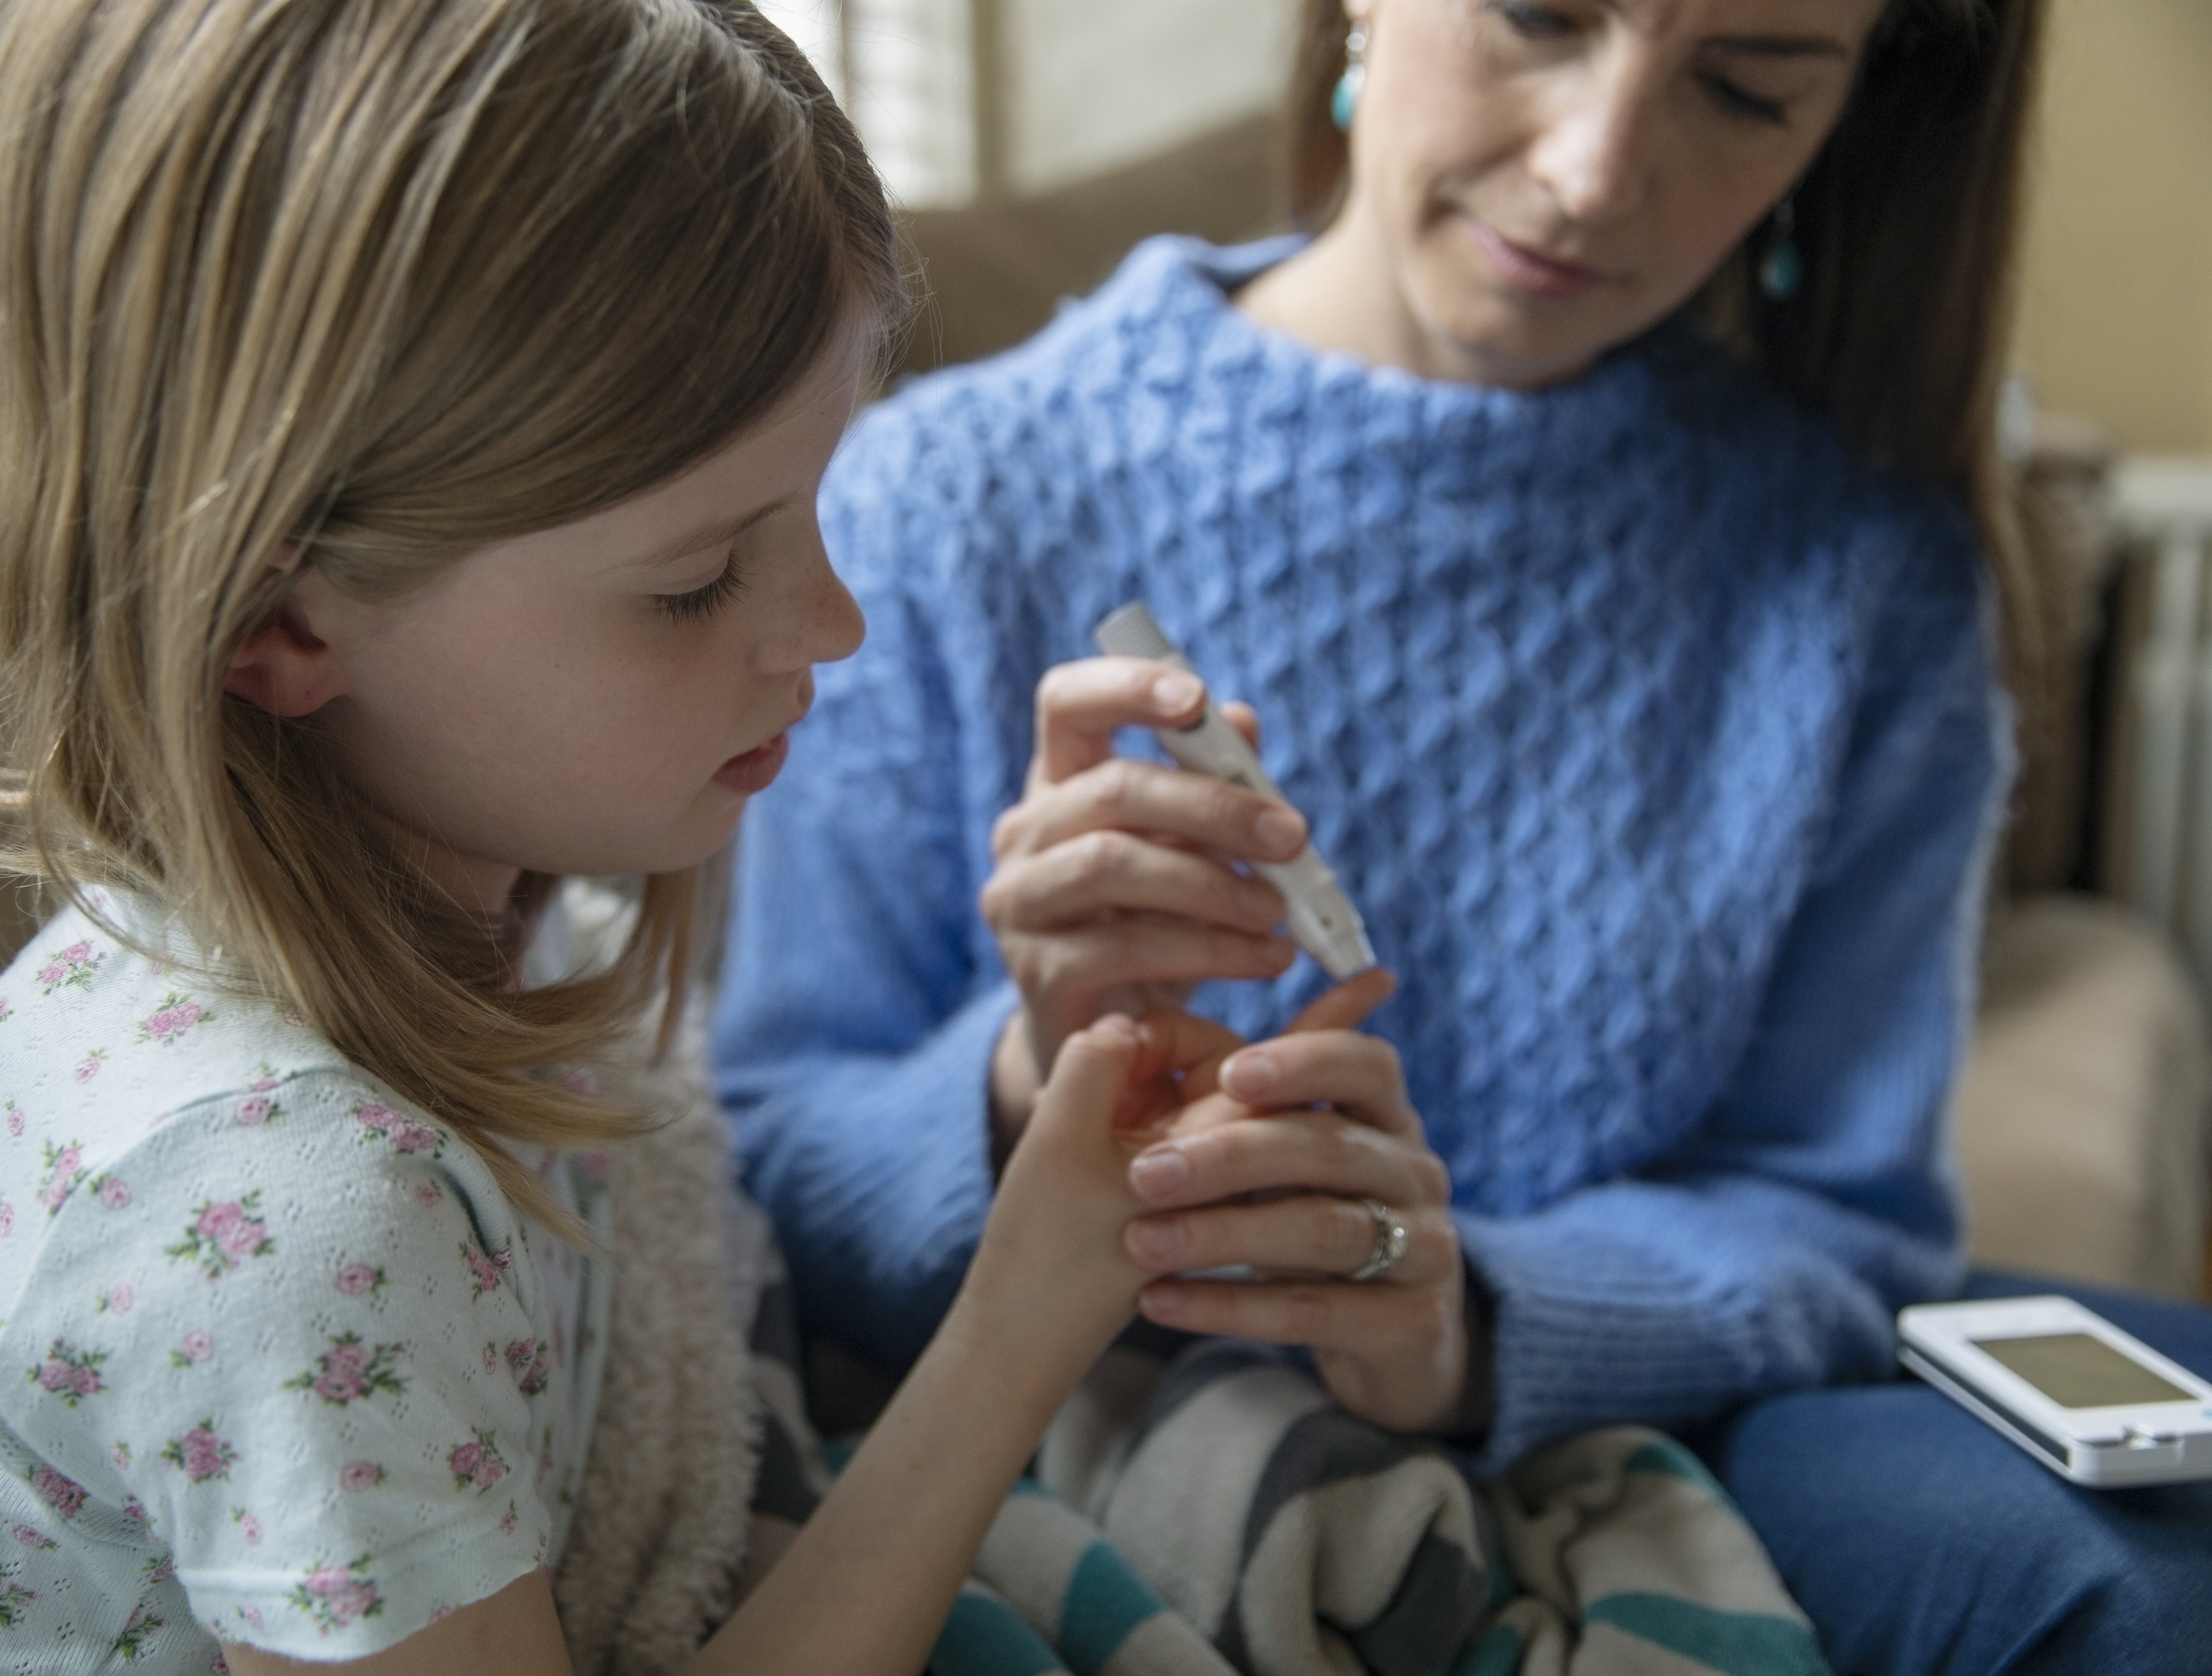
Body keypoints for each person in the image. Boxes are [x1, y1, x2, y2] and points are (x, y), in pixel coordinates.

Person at [0, 4, 1222, 1672]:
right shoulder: (300, 1227)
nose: (835, 623)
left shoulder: (479, 896)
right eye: (697, 579)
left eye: (816, 506)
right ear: (278, 621)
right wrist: (1021, 1323)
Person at [715, 0, 2212, 1668]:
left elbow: (1837, 1216)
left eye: (1744, 86)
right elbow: (766, 1157)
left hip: (1654, 1424)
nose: (1591, 174)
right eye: (1539, 15)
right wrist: (1032, 1075)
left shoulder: (1865, 573)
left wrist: (1467, 1325)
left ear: (1856, 114)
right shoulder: (938, 496)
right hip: (1056, 1433)